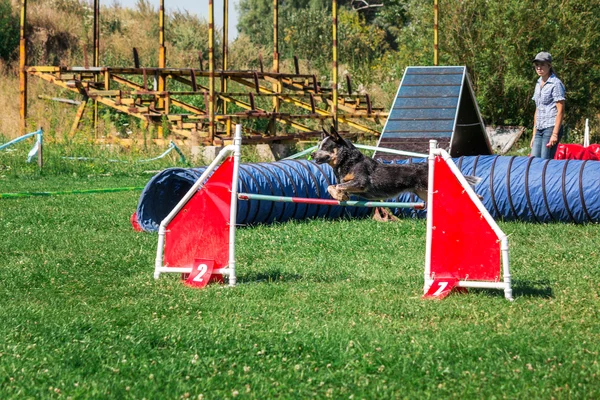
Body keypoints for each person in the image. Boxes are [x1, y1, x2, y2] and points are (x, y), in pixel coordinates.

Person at [530, 51, 566, 159]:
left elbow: (560, 110)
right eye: (537, 65)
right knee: (533, 161)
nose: (539, 68)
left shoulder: (556, 83)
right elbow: (538, 108)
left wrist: (555, 134)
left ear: (549, 66)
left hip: (550, 128)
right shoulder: (538, 83)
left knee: (545, 163)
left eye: (542, 65)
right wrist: (534, 134)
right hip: (539, 128)